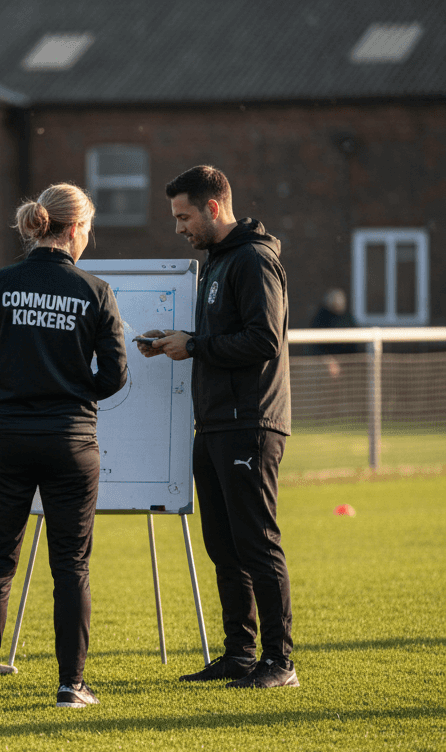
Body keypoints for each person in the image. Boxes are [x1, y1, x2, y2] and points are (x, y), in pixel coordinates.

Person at [0, 182, 127, 710]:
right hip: (71, 440)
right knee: (70, 566)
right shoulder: (95, 290)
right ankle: (71, 685)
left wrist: (18, 380)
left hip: (5, 438)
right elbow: (115, 375)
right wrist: (70, 387)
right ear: (75, 229)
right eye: (89, 228)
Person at [138, 165, 296, 690]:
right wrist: (179, 339)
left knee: (256, 542)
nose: (179, 227)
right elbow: (223, 337)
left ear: (212, 207)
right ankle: (240, 655)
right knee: (223, 547)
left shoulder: (253, 260)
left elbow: (264, 339)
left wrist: (196, 345)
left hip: (249, 423)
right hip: (213, 424)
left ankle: (280, 662)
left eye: (184, 217)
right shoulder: (219, 262)